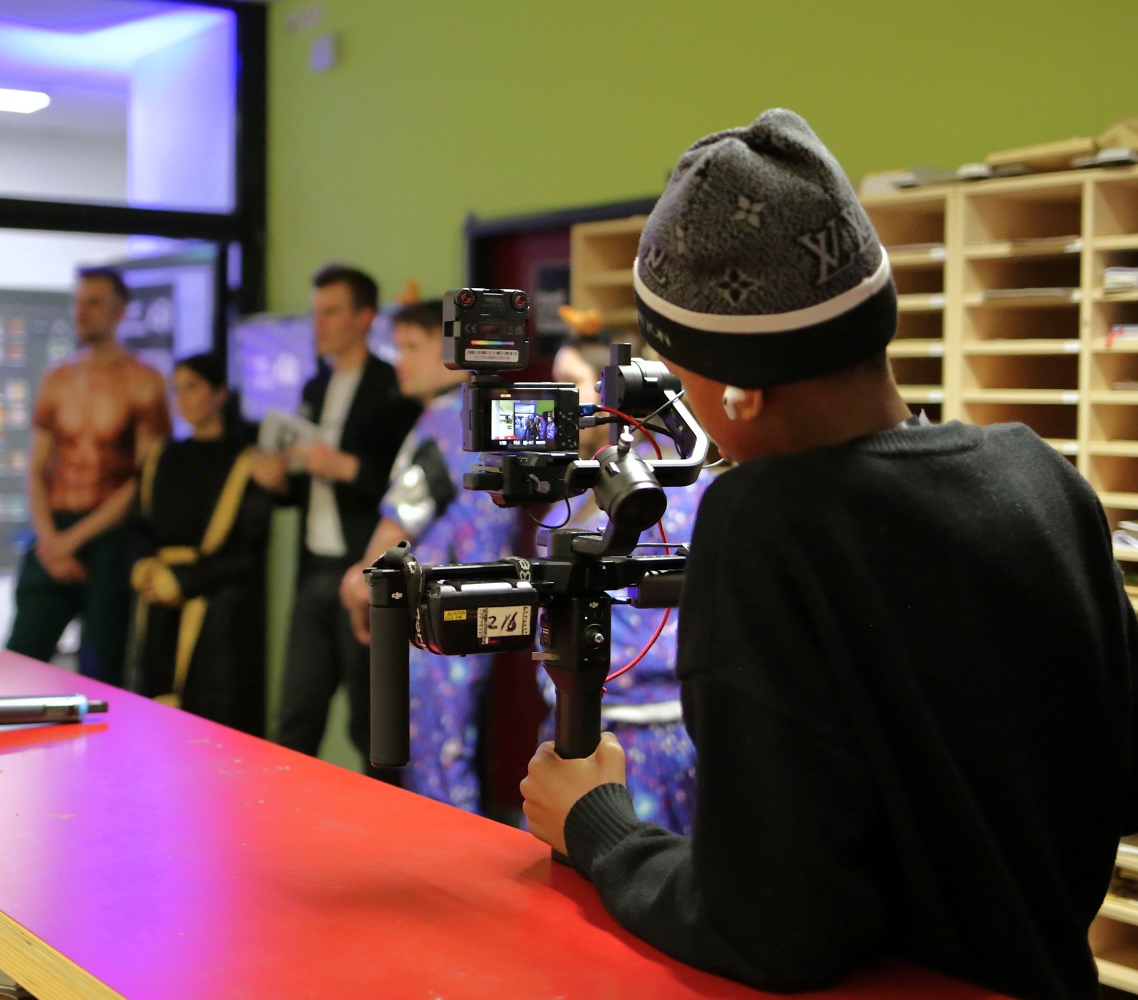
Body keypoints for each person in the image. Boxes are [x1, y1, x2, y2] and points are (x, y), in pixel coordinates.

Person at [520, 108, 1138, 998]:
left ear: (741, 388)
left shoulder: (767, 525)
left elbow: (775, 928)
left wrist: (597, 824)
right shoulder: (1042, 478)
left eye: (681, 376)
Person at [339, 300, 521, 812]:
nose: (400, 360)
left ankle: (452, 860)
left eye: (413, 347)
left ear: (457, 355)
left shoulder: (446, 423)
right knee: (456, 749)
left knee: (435, 759)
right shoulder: (494, 417)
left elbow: (404, 515)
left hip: (438, 616)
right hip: (492, 608)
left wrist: (359, 581)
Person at [533, 337, 713, 834]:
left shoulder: (688, 491)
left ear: (615, 397)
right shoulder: (577, 494)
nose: (560, 401)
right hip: (579, 717)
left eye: (571, 384)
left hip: (655, 737)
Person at [253, 265, 421, 768]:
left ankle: (385, 812)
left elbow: (406, 489)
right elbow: (305, 484)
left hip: (364, 567)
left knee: (369, 722)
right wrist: (280, 481)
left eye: (330, 312)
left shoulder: (393, 387)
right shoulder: (315, 385)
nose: (318, 324)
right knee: (296, 714)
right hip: (313, 568)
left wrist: (347, 468)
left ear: (363, 317)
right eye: (315, 313)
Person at [5, 266, 170, 686]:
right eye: (79, 302)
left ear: (119, 312)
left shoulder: (144, 382)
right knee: (20, 657)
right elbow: (36, 468)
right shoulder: (58, 378)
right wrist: (51, 540)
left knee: (103, 668)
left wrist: (74, 541)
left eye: (94, 303)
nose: (82, 312)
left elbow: (142, 480)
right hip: (55, 528)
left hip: (109, 535)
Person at [127, 353, 270, 735]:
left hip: (216, 610)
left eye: (193, 387)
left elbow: (246, 549)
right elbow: (140, 526)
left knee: (209, 720)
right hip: (158, 600)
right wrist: (145, 568)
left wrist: (184, 580)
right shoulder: (162, 455)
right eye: (177, 389)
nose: (183, 398)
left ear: (220, 393)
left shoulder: (244, 460)